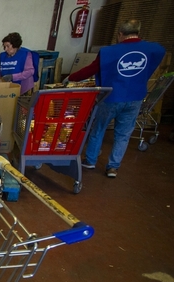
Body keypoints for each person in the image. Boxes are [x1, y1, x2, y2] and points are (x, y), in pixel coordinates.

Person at [65, 19, 165, 178]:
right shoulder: (153, 49)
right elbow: (158, 55)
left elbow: (91, 69)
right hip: (135, 97)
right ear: (138, 32)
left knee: (99, 128)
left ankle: (90, 161)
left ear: (120, 34)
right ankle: (113, 167)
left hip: (111, 96)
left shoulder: (109, 52)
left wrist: (71, 78)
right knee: (123, 134)